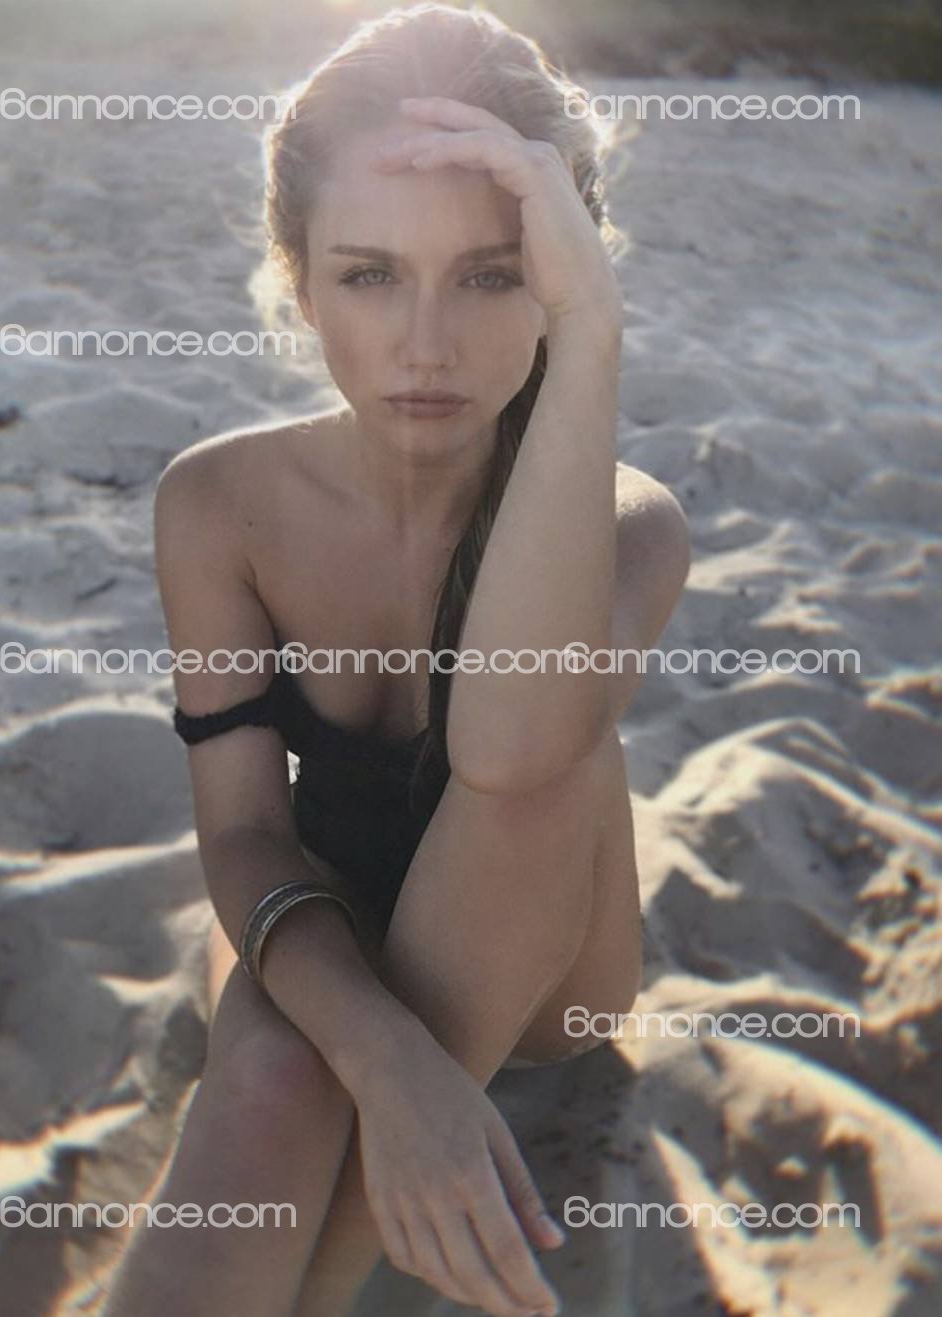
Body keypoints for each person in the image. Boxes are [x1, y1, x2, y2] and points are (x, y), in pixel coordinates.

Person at [104, 4, 690, 1315]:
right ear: (301, 279)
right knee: (272, 1080)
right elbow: (243, 834)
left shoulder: (632, 526)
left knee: (534, 767)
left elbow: (512, 758)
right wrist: (386, 1059)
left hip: (543, 964)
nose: (428, 344)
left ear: (557, 275)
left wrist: (589, 338)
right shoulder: (218, 503)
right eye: (370, 276)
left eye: (491, 275)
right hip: (319, 894)